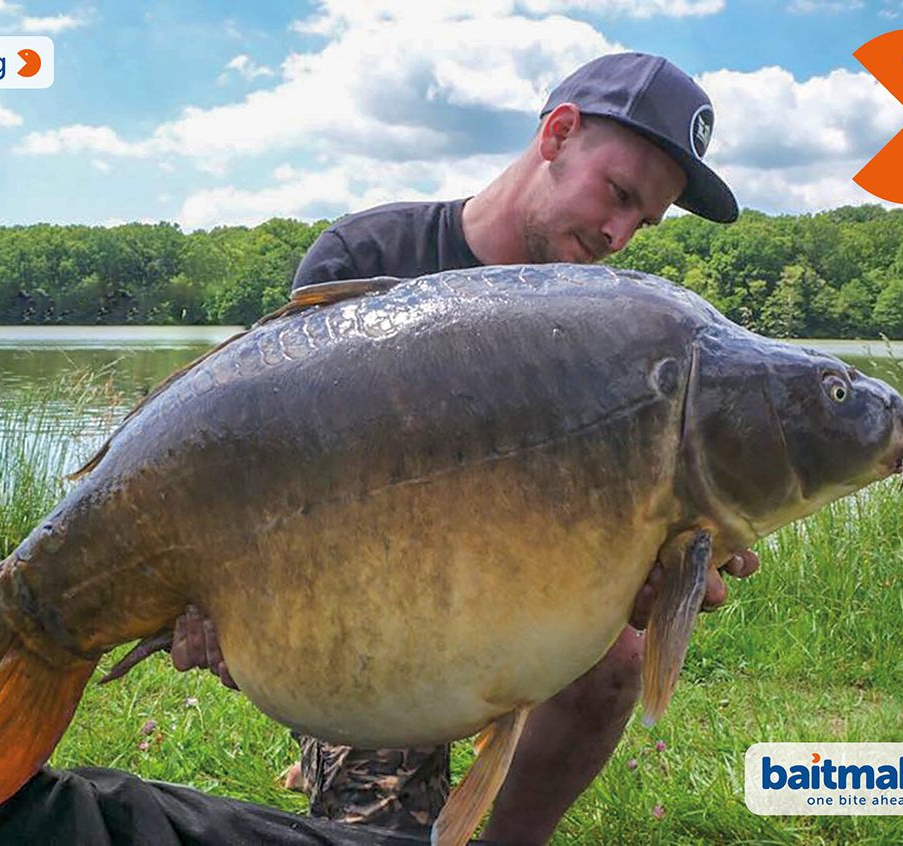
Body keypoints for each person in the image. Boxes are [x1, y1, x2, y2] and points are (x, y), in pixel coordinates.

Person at [171, 52, 760, 844]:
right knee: (382, 834)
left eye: (644, 222)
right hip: (366, 613)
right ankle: (337, 747)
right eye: (619, 195)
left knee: (621, 655)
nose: (619, 234)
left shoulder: (606, 334)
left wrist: (653, 569)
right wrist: (231, 612)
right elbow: (261, 469)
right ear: (558, 134)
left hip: (511, 611)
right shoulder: (369, 257)